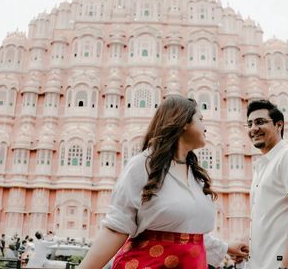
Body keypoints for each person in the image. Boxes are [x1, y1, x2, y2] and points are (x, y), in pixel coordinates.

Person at [79, 95, 248, 269]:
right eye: (200, 119)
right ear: (183, 122)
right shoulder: (144, 165)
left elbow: (190, 234)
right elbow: (117, 227)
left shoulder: (196, 176)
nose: (205, 128)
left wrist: (227, 248)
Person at [246, 99, 288, 269]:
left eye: (260, 122)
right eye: (250, 124)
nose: (253, 128)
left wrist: (287, 266)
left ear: (278, 125)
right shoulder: (262, 166)